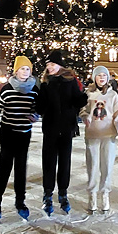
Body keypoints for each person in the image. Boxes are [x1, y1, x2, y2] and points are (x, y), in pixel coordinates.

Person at [0, 56, 38, 222]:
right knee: (4, 167)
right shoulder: (7, 89)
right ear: (16, 71)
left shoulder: (34, 90)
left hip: (24, 133)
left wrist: (35, 116)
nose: (25, 72)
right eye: (22, 69)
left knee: (21, 169)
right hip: (8, 133)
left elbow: (37, 109)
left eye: (27, 69)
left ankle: (20, 202)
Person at [35, 49, 87, 216]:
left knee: (65, 162)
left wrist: (84, 97)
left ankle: (63, 193)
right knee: (49, 162)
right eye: (48, 64)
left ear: (60, 65)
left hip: (65, 128)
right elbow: (41, 106)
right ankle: (48, 193)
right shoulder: (45, 84)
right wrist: (37, 103)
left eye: (52, 64)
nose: (49, 67)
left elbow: (77, 100)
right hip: (50, 128)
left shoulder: (70, 82)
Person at [81, 65, 118, 213]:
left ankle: (105, 194)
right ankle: (93, 194)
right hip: (93, 135)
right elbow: (83, 110)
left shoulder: (113, 95)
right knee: (93, 166)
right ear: (94, 78)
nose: (102, 78)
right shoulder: (88, 94)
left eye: (104, 75)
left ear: (108, 78)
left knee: (106, 166)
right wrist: (85, 117)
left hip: (108, 135)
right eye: (99, 75)